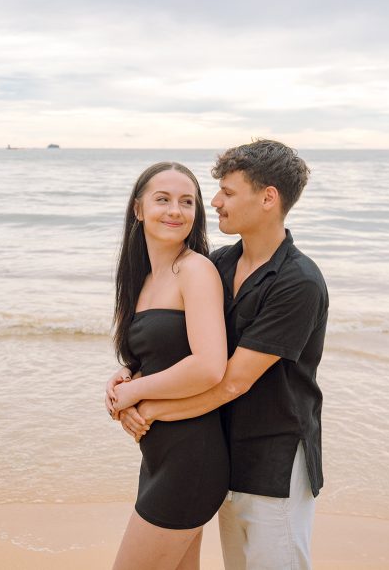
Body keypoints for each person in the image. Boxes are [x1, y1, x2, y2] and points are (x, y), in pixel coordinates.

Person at [116, 140, 328, 570]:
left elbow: (230, 378)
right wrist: (127, 378)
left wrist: (147, 406)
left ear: (268, 197)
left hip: (275, 460)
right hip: (225, 452)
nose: (215, 202)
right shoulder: (222, 264)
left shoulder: (298, 282)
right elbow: (177, 341)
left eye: (227, 192)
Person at [104, 161, 231, 570]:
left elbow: (210, 366)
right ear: (138, 209)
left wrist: (136, 392)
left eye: (186, 201)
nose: (175, 210)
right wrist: (125, 375)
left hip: (191, 459)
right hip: (158, 458)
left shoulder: (195, 270)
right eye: (163, 199)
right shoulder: (140, 280)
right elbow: (157, 355)